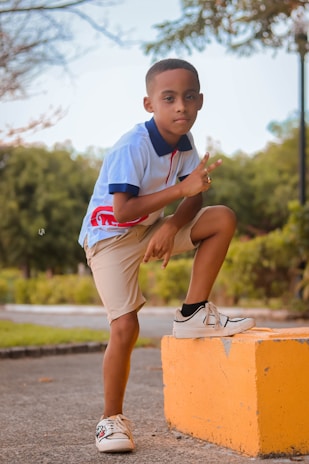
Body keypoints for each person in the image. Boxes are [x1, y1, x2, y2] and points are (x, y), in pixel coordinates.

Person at [78, 58, 255, 453]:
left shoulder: (185, 144)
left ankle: (193, 312)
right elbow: (123, 210)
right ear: (149, 104)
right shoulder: (132, 146)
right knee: (125, 328)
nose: (181, 107)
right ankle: (111, 421)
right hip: (109, 238)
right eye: (169, 98)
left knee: (221, 218)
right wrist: (180, 193)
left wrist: (172, 225)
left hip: (151, 228)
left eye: (189, 97)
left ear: (201, 101)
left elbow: (198, 198)